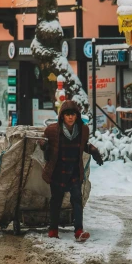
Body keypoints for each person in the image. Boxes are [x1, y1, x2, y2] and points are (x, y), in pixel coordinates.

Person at [40, 99, 103, 242]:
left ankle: (79, 230)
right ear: (62, 116)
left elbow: (83, 145)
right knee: (56, 201)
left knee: (76, 200)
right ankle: (53, 230)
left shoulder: (83, 130)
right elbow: (42, 140)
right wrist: (44, 145)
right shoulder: (52, 130)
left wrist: (93, 150)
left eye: (73, 115)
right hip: (57, 170)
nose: (70, 117)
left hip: (74, 170)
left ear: (77, 116)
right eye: (67, 114)